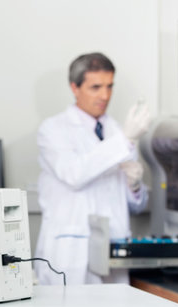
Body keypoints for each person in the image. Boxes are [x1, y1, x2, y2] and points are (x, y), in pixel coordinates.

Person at [34, 52, 150, 285]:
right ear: (75, 88)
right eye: (96, 87)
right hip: (71, 252)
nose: (105, 95)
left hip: (113, 251)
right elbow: (74, 174)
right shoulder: (54, 130)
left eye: (109, 86)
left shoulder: (118, 131)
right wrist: (124, 141)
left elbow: (137, 207)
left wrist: (135, 187)